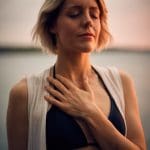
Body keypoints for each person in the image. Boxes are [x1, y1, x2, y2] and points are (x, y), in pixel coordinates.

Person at [7, 0, 147, 149]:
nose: (88, 21)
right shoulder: (24, 94)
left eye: (94, 15)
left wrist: (90, 113)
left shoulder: (122, 82)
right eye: (74, 14)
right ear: (52, 25)